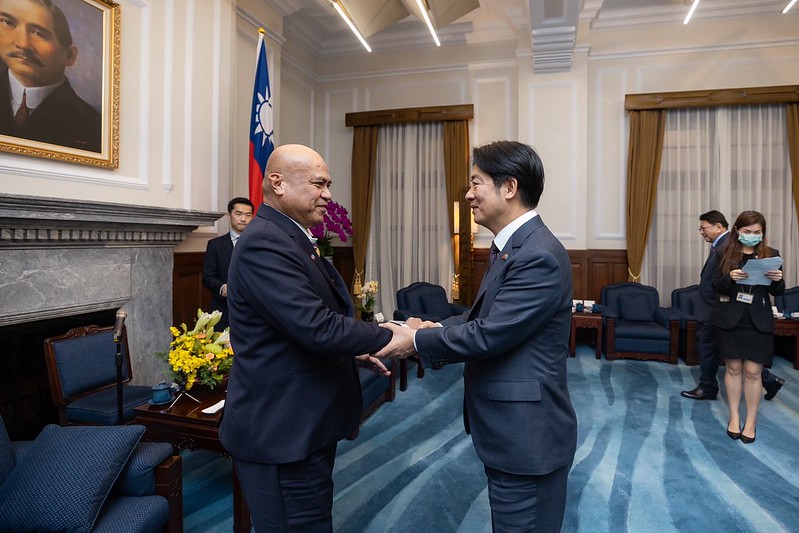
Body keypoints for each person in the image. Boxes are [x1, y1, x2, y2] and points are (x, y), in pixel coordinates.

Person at [378, 140, 577, 532]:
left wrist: (415, 341)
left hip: (527, 436)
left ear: (509, 187)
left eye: (476, 182)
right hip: (510, 430)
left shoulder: (536, 255)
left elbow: (489, 335)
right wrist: (436, 327)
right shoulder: (512, 247)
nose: (468, 194)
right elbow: (479, 316)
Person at [219, 144, 393, 531]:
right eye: (319, 183)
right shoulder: (266, 241)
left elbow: (304, 325)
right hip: (280, 434)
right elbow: (317, 326)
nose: (328, 194)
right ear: (277, 183)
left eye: (328, 184)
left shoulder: (291, 237)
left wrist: (353, 353)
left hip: (302, 425)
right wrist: (392, 336)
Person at [681, 210, 785, 401]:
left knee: (715, 351)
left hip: (719, 308)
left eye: (703, 228)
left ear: (718, 226)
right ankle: (769, 380)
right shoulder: (723, 247)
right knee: (732, 357)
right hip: (717, 307)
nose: (701, 232)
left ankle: (708, 386)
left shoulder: (728, 247)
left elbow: (720, 283)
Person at [710, 210, 784, 444]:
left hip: (758, 319)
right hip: (731, 317)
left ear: (763, 233)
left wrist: (777, 279)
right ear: (737, 231)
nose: (753, 236)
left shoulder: (771, 254)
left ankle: (750, 421)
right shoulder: (724, 252)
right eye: (747, 232)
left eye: (757, 233)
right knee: (733, 370)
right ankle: (734, 417)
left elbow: (778, 292)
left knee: (753, 372)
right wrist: (730, 277)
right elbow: (715, 286)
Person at [0, 0, 101, 152]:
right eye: (8, 22)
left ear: (69, 56)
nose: (23, 43)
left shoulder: (92, 123)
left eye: (39, 33)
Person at [202, 197, 254, 331]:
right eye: (239, 214)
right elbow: (208, 277)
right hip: (224, 311)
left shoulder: (260, 243)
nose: (243, 219)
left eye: (248, 215)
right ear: (229, 215)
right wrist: (222, 288)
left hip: (254, 312)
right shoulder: (215, 245)